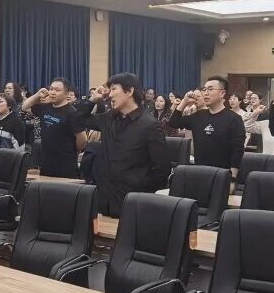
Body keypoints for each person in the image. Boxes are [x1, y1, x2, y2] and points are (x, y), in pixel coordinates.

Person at [84, 73, 170, 218]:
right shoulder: (109, 119)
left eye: (114, 89)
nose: (110, 95)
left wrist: (141, 189)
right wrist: (93, 99)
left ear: (129, 91)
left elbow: (162, 168)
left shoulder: (150, 125)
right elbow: (78, 120)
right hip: (104, 199)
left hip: (132, 202)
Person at [172, 76, 246, 177]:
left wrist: (232, 178)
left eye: (210, 89)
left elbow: (237, 152)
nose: (205, 93)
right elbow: (173, 122)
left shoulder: (234, 119)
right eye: (204, 90)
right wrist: (184, 102)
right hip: (199, 172)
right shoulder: (199, 115)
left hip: (222, 175)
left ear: (222, 93)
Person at [23, 78, 88, 178]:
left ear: (67, 94)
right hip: (46, 164)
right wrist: (37, 95)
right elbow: (25, 107)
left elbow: (83, 141)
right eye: (51, 89)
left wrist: (71, 149)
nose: (53, 92)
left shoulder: (73, 113)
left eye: (57, 90)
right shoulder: (45, 107)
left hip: (66, 165)